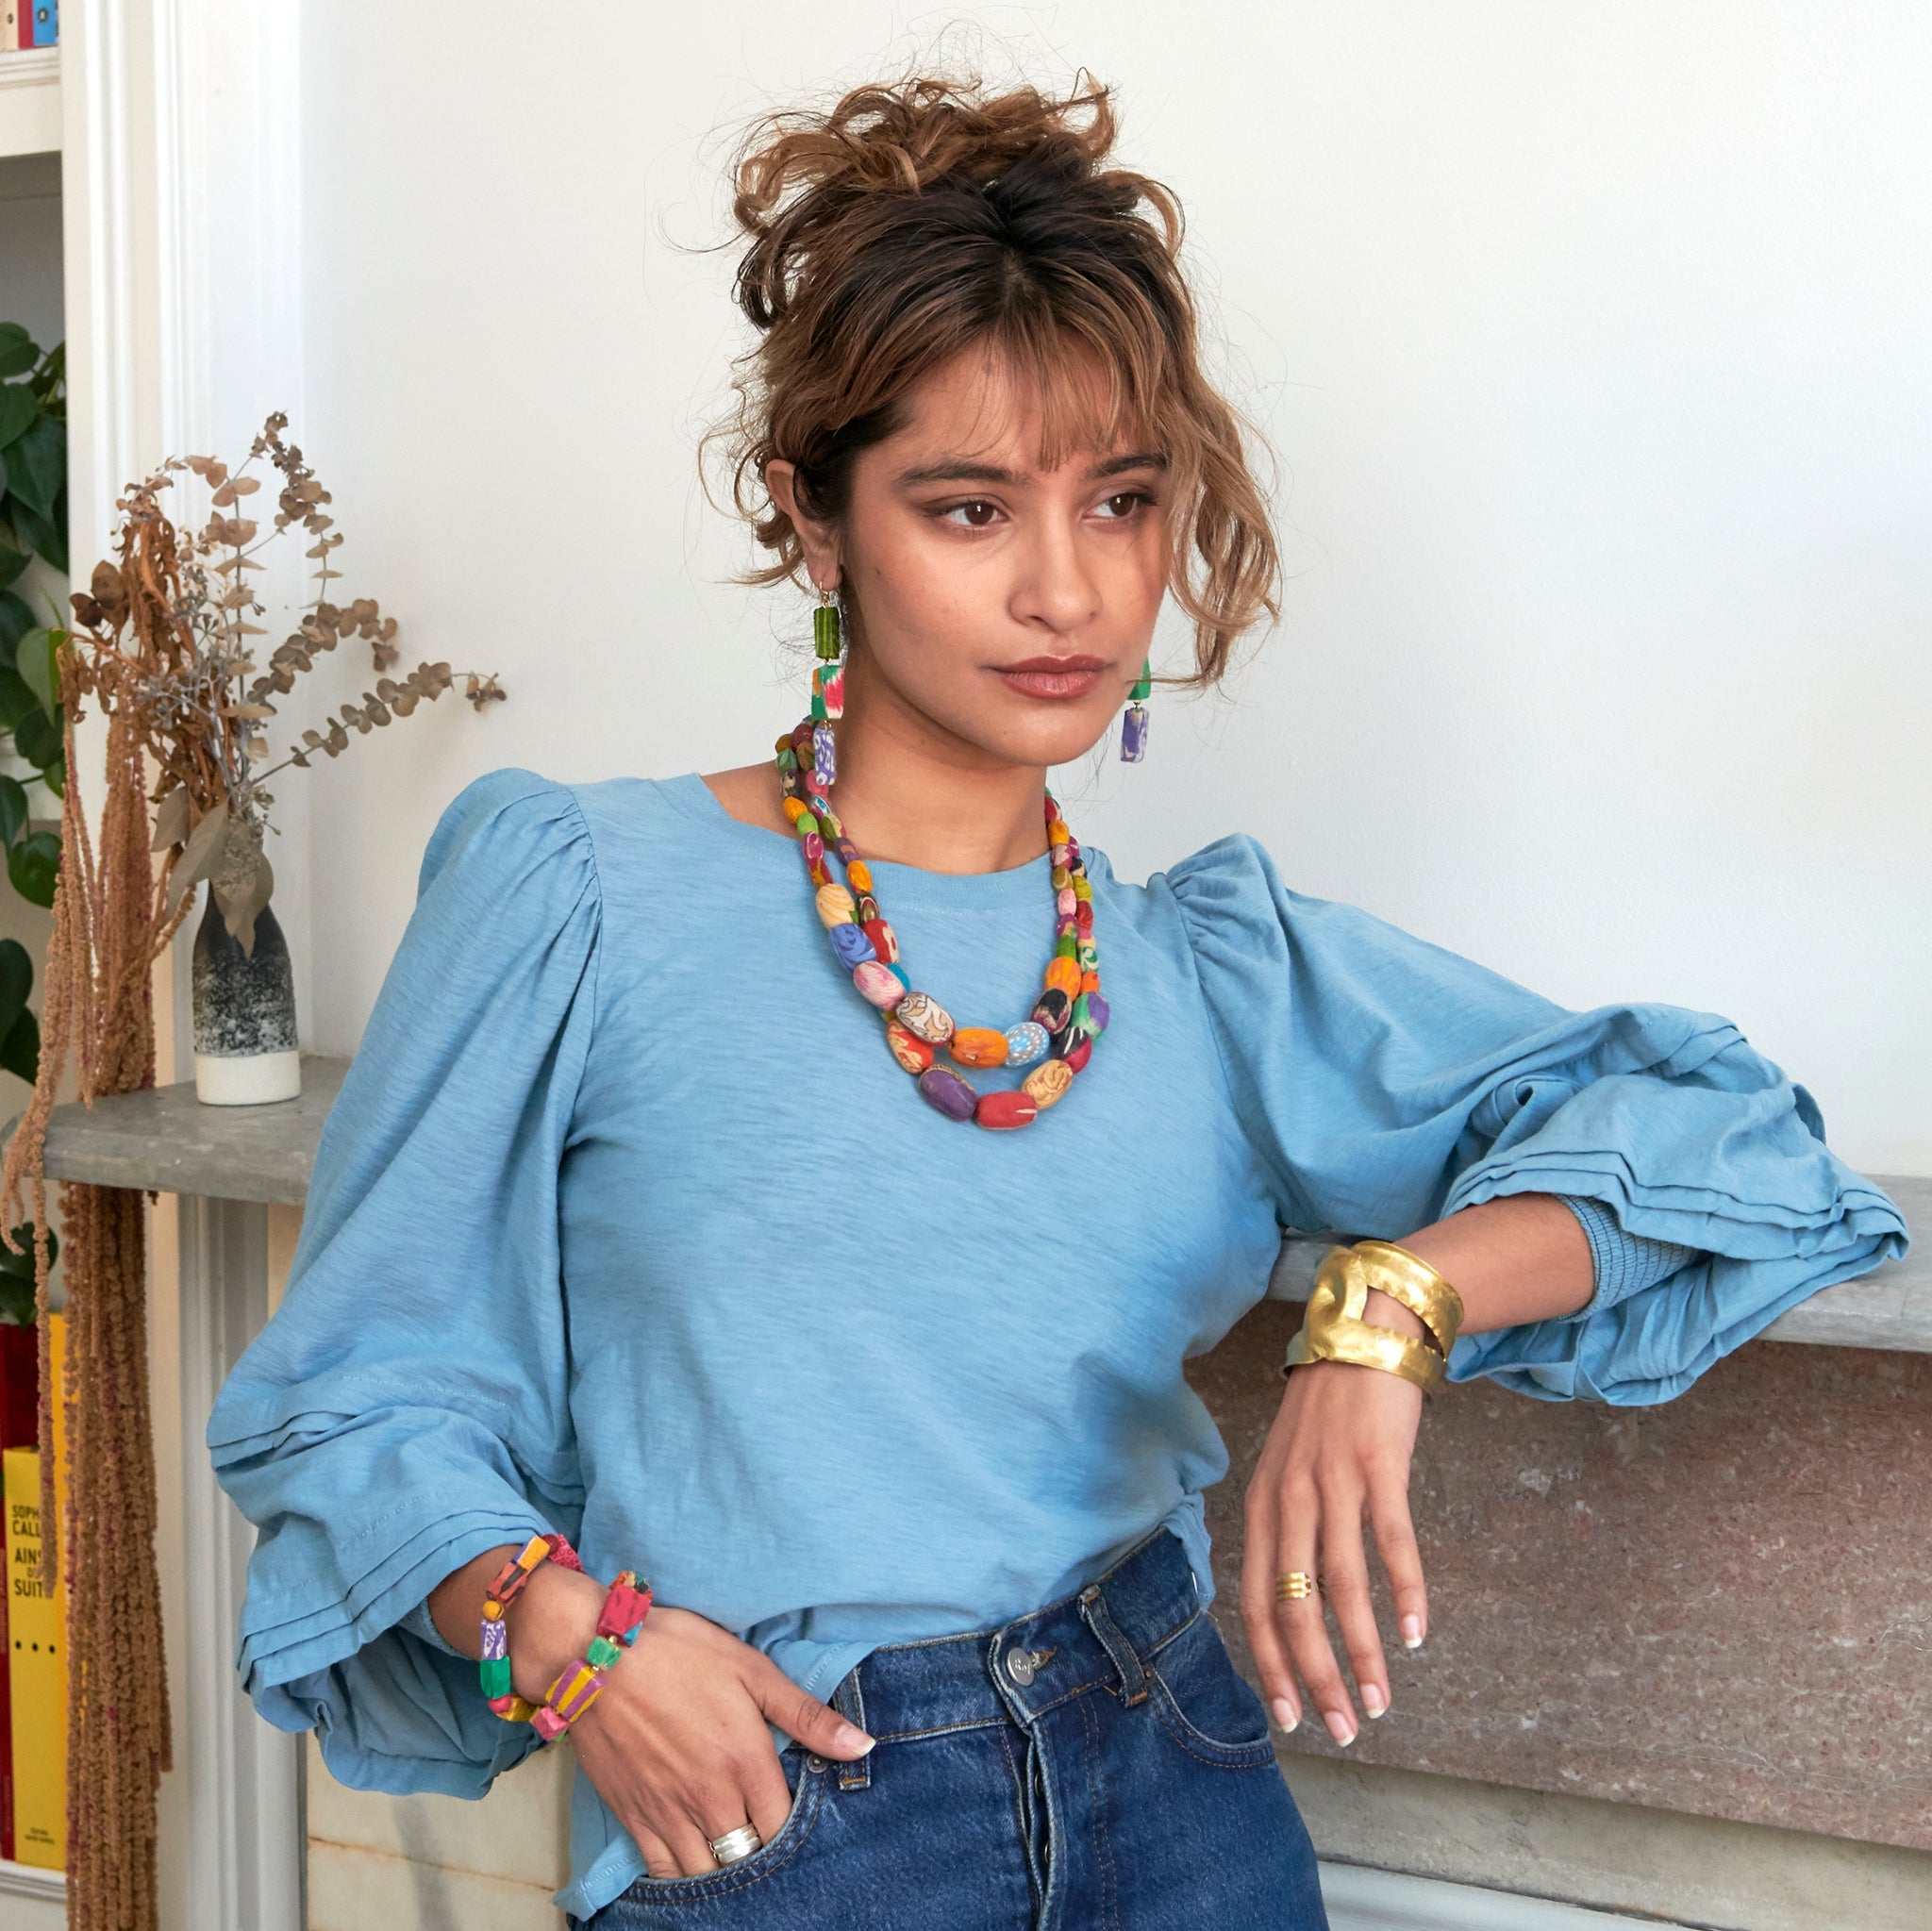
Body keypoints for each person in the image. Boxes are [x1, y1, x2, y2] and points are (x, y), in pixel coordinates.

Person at [206, 73, 1907, 1931]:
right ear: (812, 516)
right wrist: (570, 1642)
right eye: (965, 505)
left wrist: (1389, 1310)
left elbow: (1722, 1130)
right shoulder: (582, 891)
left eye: (1121, 500)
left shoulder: (1206, 962)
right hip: (784, 1807)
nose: (1064, 587)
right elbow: (355, 1388)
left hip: (1169, 1770)